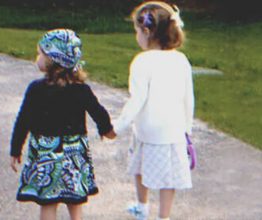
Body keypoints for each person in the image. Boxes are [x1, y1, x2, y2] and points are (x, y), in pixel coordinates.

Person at [10, 29, 116, 220]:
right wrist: (106, 129)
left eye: (41, 54)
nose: (38, 58)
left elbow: (23, 120)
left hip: (45, 154)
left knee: (48, 202)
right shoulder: (81, 90)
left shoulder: (36, 89)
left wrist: (15, 149)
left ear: (53, 60)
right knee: (74, 202)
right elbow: (97, 111)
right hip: (73, 153)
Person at [113, 2, 194, 220]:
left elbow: (136, 100)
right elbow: (188, 98)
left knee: (140, 167)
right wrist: (187, 128)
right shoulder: (181, 60)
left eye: (137, 31)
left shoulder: (142, 61)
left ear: (147, 31)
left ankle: (142, 206)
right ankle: (164, 217)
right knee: (168, 179)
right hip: (173, 131)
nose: (136, 36)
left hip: (147, 131)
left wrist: (117, 127)